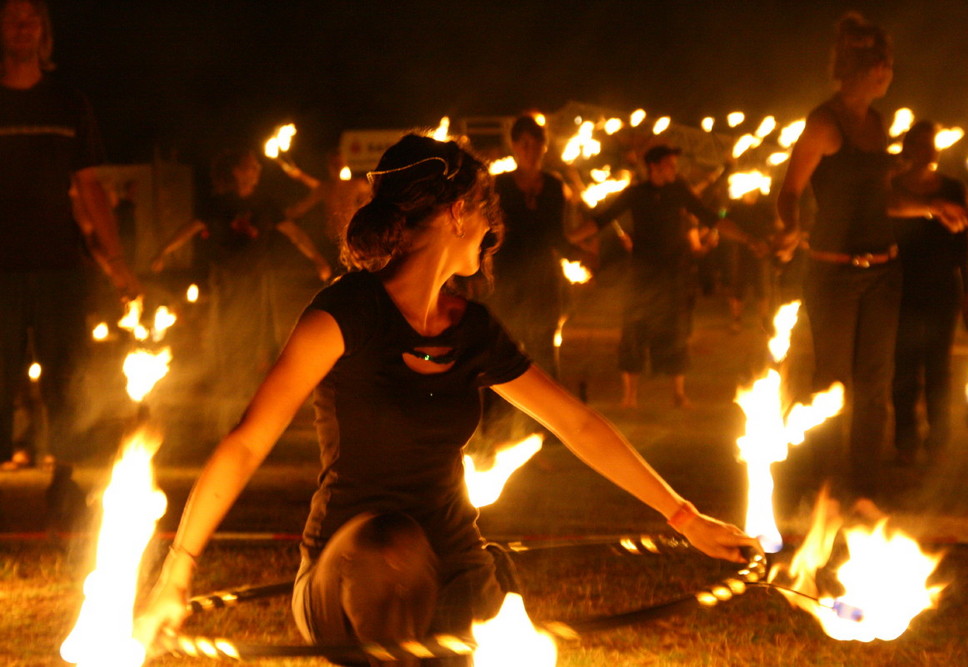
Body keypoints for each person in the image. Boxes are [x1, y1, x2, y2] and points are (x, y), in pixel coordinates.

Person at [135, 135, 757, 664]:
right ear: (460, 212)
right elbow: (246, 442)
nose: (493, 233)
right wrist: (177, 569)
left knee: (458, 589)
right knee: (391, 549)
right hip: (349, 567)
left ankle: (481, 588)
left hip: (454, 562)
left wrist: (685, 517)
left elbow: (578, 424)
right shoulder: (345, 313)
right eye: (488, 215)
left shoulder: (471, 328)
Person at [773, 13, 968, 506]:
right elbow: (789, 190)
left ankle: (864, 487)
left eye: (889, 64)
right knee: (831, 383)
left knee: (875, 385)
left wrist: (932, 207)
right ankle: (824, 484)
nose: (888, 73)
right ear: (857, 68)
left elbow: (881, 200)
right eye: (881, 64)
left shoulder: (878, 124)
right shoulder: (825, 122)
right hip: (834, 272)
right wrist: (790, 225)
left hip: (884, 271)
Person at [0, 0, 141, 468]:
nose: (23, 27)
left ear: (44, 31)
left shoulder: (68, 102)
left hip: (59, 265)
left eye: (32, 18)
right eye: (13, 19)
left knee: (65, 377)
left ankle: (66, 487)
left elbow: (89, 187)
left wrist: (118, 265)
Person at [151, 149, 332, 433]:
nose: (257, 169)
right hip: (225, 280)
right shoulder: (218, 204)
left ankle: (252, 402)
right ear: (237, 172)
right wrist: (163, 252)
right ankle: (227, 399)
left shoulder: (266, 204)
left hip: (256, 280)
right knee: (227, 334)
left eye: (257, 166)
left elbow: (294, 234)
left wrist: (318, 259)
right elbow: (189, 229)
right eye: (251, 166)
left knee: (256, 335)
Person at [590, 144, 719, 409]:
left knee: (676, 333)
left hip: (673, 276)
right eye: (670, 164)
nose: (675, 169)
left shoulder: (679, 191)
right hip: (642, 276)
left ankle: (678, 394)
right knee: (634, 334)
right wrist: (571, 239)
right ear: (654, 167)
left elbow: (708, 215)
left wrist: (744, 236)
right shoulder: (635, 194)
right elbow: (603, 219)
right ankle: (630, 397)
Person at [891, 121, 968, 465]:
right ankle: (905, 442)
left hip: (942, 288)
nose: (929, 152)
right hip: (901, 288)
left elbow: (964, 244)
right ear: (908, 148)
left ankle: (938, 440)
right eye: (922, 144)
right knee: (904, 369)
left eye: (933, 145)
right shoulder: (894, 189)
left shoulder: (953, 189)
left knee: (939, 369)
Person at [489, 115, 582, 378]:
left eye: (536, 143)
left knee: (543, 354)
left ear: (545, 146)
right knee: (504, 353)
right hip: (507, 280)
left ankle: (545, 418)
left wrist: (580, 256)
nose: (530, 150)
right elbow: (489, 235)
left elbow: (556, 235)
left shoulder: (553, 186)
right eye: (524, 144)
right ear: (515, 146)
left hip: (543, 281)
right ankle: (499, 418)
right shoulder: (500, 186)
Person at [284, 148, 371, 276]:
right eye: (334, 164)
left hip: (354, 241)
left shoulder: (356, 185)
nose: (337, 166)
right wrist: (280, 215)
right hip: (332, 245)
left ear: (344, 164)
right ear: (329, 167)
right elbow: (301, 208)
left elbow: (374, 192)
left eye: (339, 163)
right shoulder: (325, 188)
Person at [719, 189, 775, 334]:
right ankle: (736, 320)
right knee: (738, 288)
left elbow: (773, 228)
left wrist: (767, 244)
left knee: (762, 288)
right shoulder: (735, 208)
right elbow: (724, 224)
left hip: (760, 253)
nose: (753, 193)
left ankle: (764, 321)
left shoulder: (764, 207)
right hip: (739, 253)